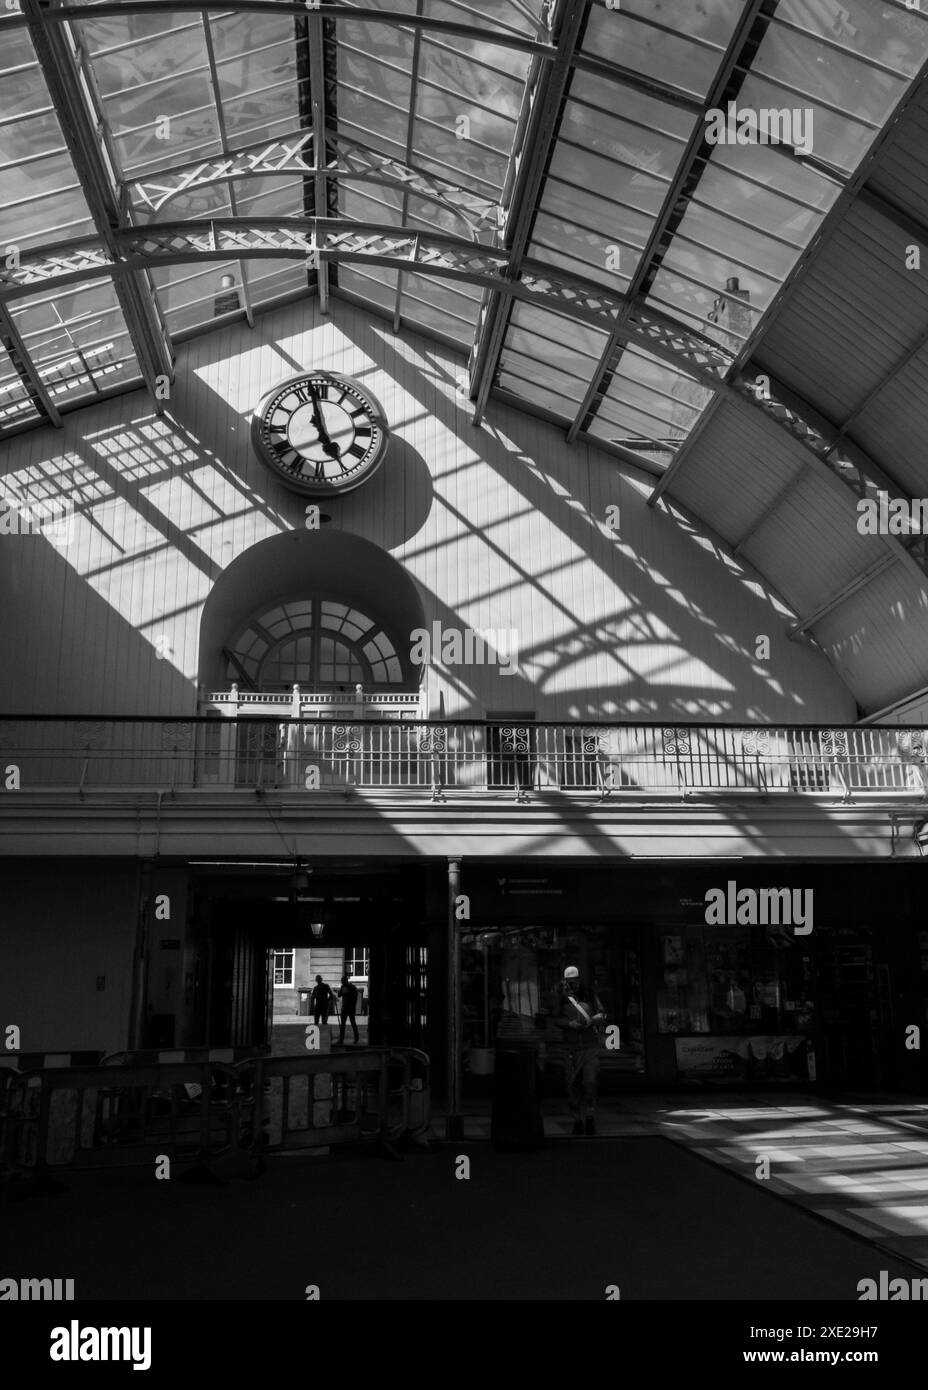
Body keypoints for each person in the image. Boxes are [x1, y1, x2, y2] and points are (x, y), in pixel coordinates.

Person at [555, 965, 606, 1135]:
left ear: (579, 979)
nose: (572, 985)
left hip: (589, 1046)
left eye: (575, 981)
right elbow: (555, 1018)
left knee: (590, 1081)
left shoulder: (590, 994)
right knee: (572, 1085)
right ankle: (577, 1119)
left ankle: (590, 1115)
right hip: (570, 1046)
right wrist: (569, 1024)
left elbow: (602, 1013)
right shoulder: (561, 997)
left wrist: (591, 1021)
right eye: (569, 982)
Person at [338, 974, 360, 1045]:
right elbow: (339, 994)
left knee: (353, 1023)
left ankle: (356, 1038)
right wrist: (339, 991)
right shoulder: (342, 987)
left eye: (343, 981)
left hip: (350, 1009)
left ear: (346, 980)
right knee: (342, 1025)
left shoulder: (352, 987)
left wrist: (353, 1006)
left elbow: (355, 998)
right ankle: (341, 1040)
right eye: (341, 981)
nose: (342, 982)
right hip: (344, 1008)